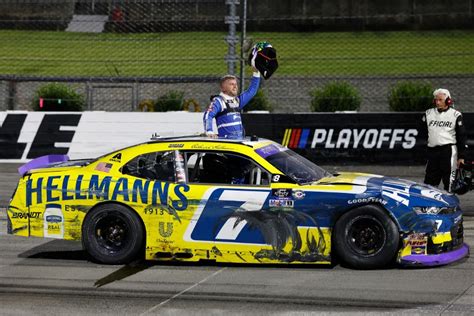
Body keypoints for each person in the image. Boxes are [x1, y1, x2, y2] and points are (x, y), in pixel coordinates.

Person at [422, 88, 467, 192]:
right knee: (429, 183)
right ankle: (430, 207)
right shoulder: (428, 114)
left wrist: (461, 157)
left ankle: (451, 207)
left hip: (449, 152)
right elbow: (422, 131)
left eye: (440, 100)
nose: (437, 102)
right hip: (432, 152)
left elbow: (462, 136)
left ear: (448, 101)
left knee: (449, 182)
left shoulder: (456, 115)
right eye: (436, 100)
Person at [203, 70, 261, 139]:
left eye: (236, 84)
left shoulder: (237, 101)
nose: (235, 86)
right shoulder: (219, 101)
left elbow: (252, 91)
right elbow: (208, 115)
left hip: (239, 143)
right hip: (227, 145)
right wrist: (209, 131)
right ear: (223, 88)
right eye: (231, 84)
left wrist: (256, 73)